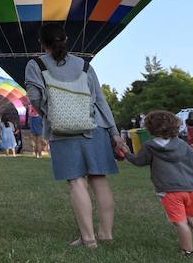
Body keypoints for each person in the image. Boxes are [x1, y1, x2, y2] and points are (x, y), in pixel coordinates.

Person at [24, 24, 127, 249]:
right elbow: (100, 99)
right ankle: (106, 233)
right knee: (99, 179)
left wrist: (52, 114)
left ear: (41, 43)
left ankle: (88, 239)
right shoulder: (85, 65)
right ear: (66, 39)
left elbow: (34, 97)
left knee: (77, 182)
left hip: (63, 130)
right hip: (96, 127)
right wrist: (115, 133)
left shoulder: (35, 65)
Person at [124, 111, 193, 257]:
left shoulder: (150, 146)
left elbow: (139, 161)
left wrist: (126, 153)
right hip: (191, 189)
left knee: (180, 222)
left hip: (170, 191)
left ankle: (187, 251)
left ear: (150, 128)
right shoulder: (184, 145)